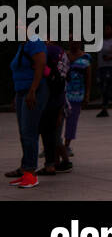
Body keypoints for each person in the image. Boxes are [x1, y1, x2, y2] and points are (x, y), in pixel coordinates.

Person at [7, 33, 47, 189]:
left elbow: (41, 64)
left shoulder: (35, 41)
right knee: (24, 133)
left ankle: (31, 174)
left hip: (33, 92)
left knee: (29, 132)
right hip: (22, 92)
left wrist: (32, 90)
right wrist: (17, 94)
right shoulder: (23, 44)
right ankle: (25, 171)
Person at [38, 39, 72, 175]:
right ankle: (57, 162)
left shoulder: (50, 50)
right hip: (62, 96)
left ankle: (65, 161)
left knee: (54, 136)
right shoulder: (62, 53)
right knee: (54, 135)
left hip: (56, 99)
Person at [64, 42, 91, 158]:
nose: (73, 43)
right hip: (62, 92)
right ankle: (51, 145)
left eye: (75, 40)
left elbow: (88, 77)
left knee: (72, 121)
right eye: (70, 40)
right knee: (55, 120)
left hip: (77, 94)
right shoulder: (64, 55)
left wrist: (87, 95)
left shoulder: (86, 57)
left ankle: (66, 146)